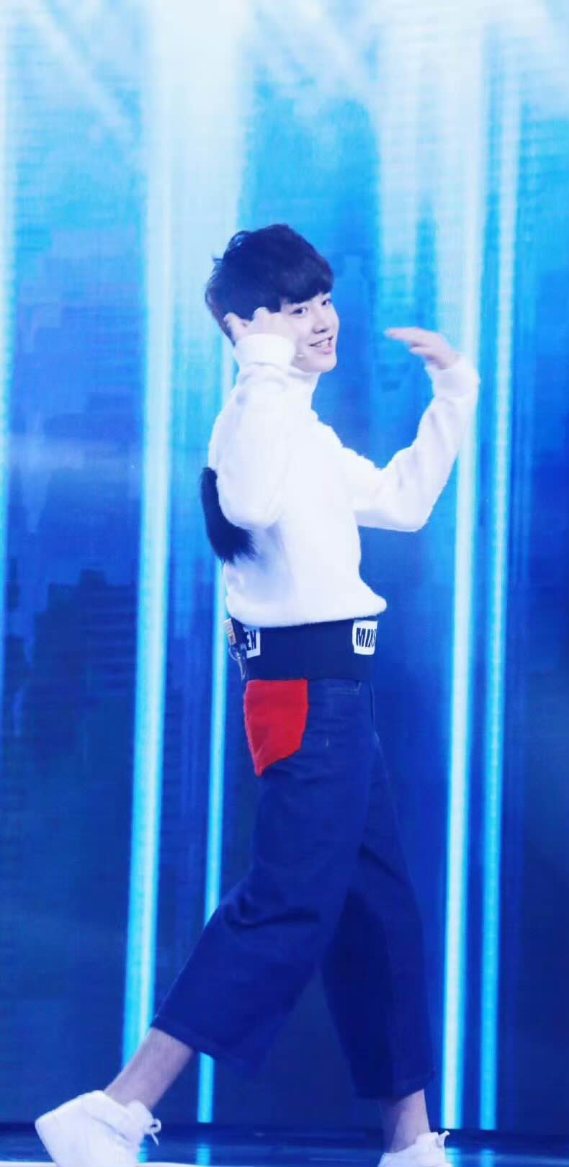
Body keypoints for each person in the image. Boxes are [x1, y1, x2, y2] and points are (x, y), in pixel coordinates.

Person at [35, 224, 480, 1167]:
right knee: (285, 906)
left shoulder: (303, 432)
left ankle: (410, 1139)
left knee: (380, 914)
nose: (321, 321)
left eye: (322, 300)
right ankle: (111, 1110)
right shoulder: (253, 418)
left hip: (341, 695)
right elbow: (248, 503)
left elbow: (403, 501)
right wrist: (264, 368)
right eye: (293, 307)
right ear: (247, 328)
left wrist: (454, 395)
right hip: (303, 695)